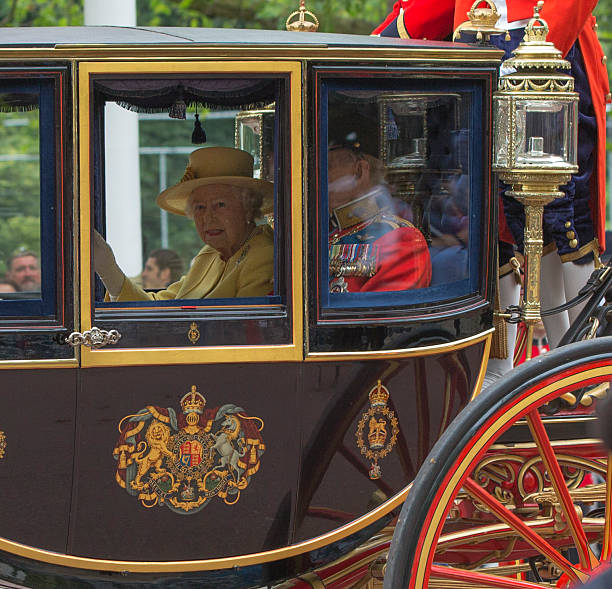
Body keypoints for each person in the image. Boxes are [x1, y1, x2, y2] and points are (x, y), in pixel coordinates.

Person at [373, 0, 610, 383]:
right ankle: (516, 363)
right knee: (494, 213)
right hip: (475, 51)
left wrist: (534, 51)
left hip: (544, 53)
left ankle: (582, 362)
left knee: (566, 219)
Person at [94, 147, 274, 301]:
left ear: (248, 208)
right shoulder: (210, 255)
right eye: (200, 207)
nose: (208, 218)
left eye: (220, 205)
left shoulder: (263, 255)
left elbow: (244, 330)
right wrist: (108, 269)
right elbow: (159, 307)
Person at [327, 141, 431, 293]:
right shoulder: (326, 231)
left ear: (360, 171)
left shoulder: (402, 239)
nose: (317, 176)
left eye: (328, 166)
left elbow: (379, 313)